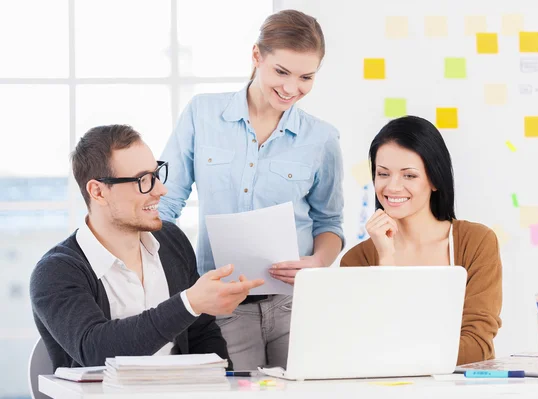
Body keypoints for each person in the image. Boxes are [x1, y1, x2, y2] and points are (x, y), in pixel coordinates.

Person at [159, 9, 344, 369]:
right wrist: (177, 283)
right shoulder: (202, 114)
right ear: (257, 56)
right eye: (282, 72)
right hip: (223, 306)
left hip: (295, 305)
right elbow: (165, 205)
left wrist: (318, 262)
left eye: (306, 77)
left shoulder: (322, 138)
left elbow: (330, 222)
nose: (292, 88)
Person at [30, 124, 263, 370]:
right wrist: (189, 303)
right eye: (143, 180)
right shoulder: (56, 272)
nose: (161, 190)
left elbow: (202, 334)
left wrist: (223, 386)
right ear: (97, 191)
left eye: (156, 174)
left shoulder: (171, 242)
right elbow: (96, 351)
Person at [340, 116, 502, 366]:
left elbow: (477, 346)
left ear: (435, 179)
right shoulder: (357, 260)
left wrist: (396, 351)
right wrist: (386, 259)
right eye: (383, 173)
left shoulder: (476, 242)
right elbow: (361, 346)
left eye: (409, 176)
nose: (392, 187)